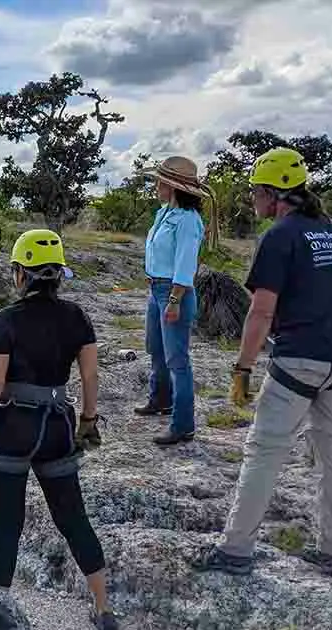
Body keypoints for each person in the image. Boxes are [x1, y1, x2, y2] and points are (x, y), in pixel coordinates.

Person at [195, 147, 332, 578]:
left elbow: (260, 312)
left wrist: (242, 368)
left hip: (300, 359)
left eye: (256, 190)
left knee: (264, 450)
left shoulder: (280, 236)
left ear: (275, 194)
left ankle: (237, 549)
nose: (252, 198)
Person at [0, 229, 118, 630]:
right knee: (73, 518)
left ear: (21, 274)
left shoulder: (7, 320)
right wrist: (87, 421)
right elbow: (90, 374)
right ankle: (102, 607)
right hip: (56, 427)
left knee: (6, 524)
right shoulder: (77, 317)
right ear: (57, 274)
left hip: (13, 428)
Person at [134, 156, 210, 445]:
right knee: (155, 348)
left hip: (174, 291)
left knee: (178, 359)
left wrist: (175, 299)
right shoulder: (164, 213)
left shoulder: (189, 221)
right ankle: (160, 400)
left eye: (160, 181)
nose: (156, 185)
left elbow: (185, 262)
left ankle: (183, 425)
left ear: (174, 186)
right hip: (157, 288)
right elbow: (158, 251)